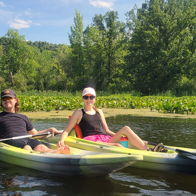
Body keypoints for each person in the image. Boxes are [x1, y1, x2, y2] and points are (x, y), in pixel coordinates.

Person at [58, 87, 148, 150]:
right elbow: (66, 130)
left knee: (126, 129)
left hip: (105, 139)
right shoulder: (78, 113)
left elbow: (107, 131)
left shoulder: (99, 111)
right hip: (91, 142)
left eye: (91, 97)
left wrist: (122, 136)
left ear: (95, 98)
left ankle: (146, 150)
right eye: (86, 97)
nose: (89, 100)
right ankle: (128, 152)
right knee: (117, 145)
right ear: (83, 98)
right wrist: (61, 141)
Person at [0, 89, 69, 154]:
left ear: (15, 100)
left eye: (9, 98)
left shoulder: (23, 117)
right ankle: (32, 155)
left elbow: (35, 134)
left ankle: (56, 153)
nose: (7, 101)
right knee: (27, 147)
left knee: (41, 147)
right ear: (1, 102)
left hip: (26, 139)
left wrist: (50, 129)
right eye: (4, 99)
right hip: (10, 141)